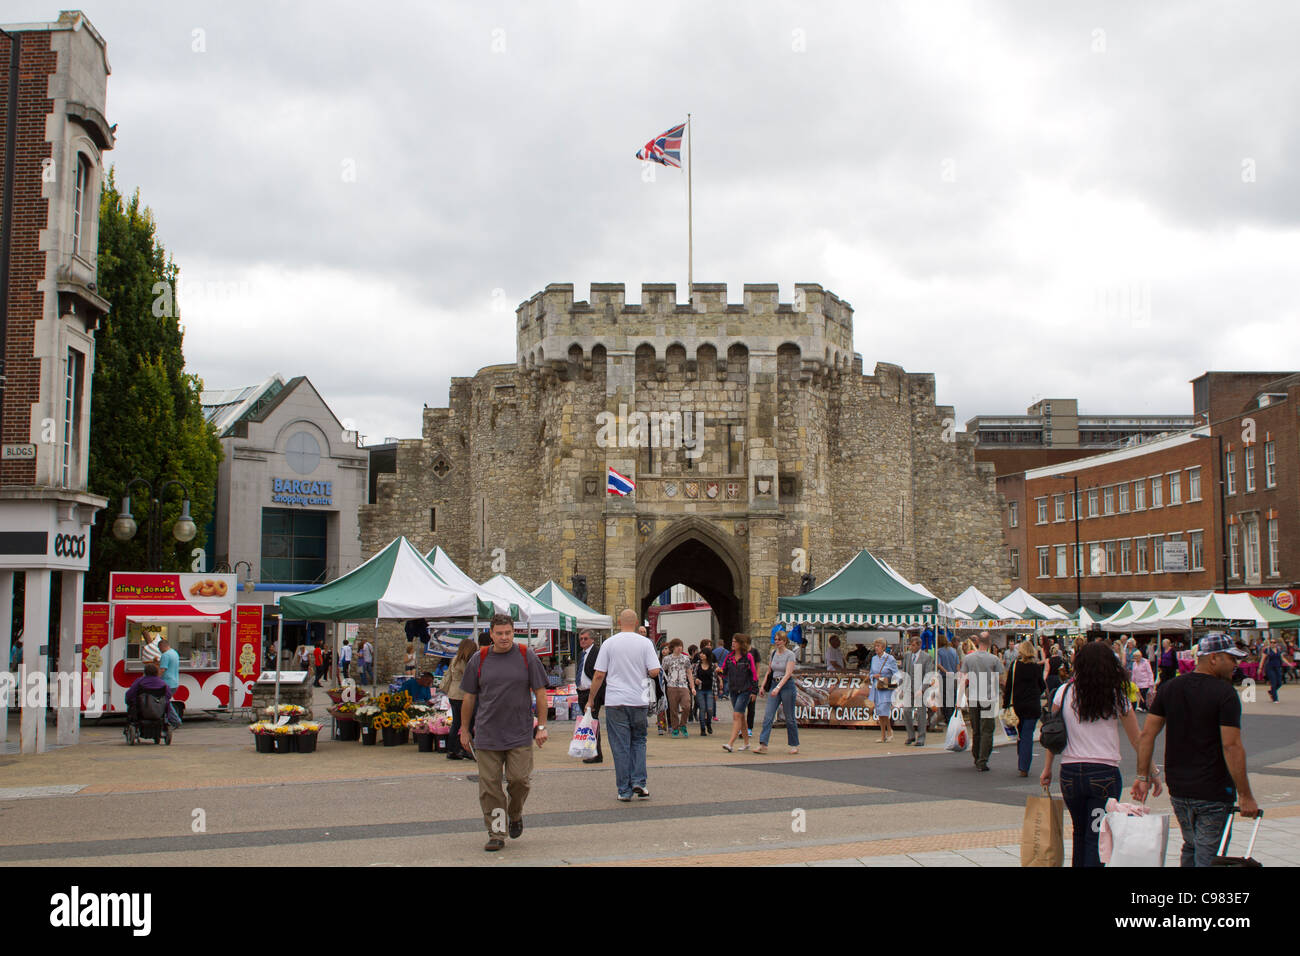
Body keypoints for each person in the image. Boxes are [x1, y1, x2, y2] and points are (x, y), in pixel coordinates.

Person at [1133, 633, 1259, 867]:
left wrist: (1142, 776)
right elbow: (1231, 746)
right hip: (1213, 790)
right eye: (1231, 658)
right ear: (1214, 658)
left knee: (1191, 845)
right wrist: (1245, 795)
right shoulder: (1225, 694)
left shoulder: (1170, 688)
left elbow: (1147, 734)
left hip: (1180, 788)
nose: (1235, 664)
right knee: (1209, 854)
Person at [1039, 641, 1146, 868]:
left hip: (1069, 773)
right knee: (1096, 837)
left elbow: (1053, 733)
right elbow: (1137, 738)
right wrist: (1150, 772)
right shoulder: (1116, 696)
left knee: (1079, 832)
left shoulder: (1063, 692)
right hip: (1104, 773)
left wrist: (1047, 768)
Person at [458, 613, 550, 851]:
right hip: (488, 734)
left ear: (513, 632)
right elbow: (468, 697)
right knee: (490, 787)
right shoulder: (479, 659)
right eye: (499, 633)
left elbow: (540, 692)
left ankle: (515, 813)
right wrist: (464, 729)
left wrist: (541, 726)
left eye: (508, 633)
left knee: (520, 780)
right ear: (491, 634)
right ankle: (497, 832)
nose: (504, 637)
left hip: (519, 732)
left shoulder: (525, 655)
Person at [585, 609, 662, 801]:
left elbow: (599, 675)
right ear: (637, 623)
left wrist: (591, 698)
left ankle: (624, 790)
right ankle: (639, 782)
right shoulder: (645, 643)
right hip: (639, 699)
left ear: (619, 622)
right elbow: (654, 671)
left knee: (620, 746)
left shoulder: (609, 643)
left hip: (615, 701)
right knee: (639, 741)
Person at [959, 631, 1004, 771]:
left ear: (978, 642)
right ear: (989, 642)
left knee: (976, 729)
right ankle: (982, 760)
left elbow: (962, 678)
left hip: (973, 696)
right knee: (987, 730)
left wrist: (959, 698)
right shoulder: (994, 659)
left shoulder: (969, 658)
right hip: (988, 697)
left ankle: (976, 755)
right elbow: (1001, 680)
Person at [1002, 640, 1045, 777]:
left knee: (1021, 735)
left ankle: (1022, 761)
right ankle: (1024, 765)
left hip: (1018, 705)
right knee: (1027, 735)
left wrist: (1005, 705)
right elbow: (1042, 686)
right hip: (1032, 706)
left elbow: (1009, 687)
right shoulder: (1036, 667)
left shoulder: (1015, 666)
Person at [755, 629, 800, 754]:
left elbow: (788, 673)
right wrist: (763, 686)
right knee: (768, 715)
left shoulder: (790, 654)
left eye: (779, 640)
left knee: (789, 717)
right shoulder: (773, 653)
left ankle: (794, 744)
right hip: (774, 682)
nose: (777, 642)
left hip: (786, 686)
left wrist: (778, 688)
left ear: (785, 641)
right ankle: (763, 744)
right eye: (775, 639)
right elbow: (770, 671)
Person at [720, 633, 758, 752]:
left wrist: (754, 691)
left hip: (745, 690)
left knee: (736, 715)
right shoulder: (730, 657)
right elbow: (724, 672)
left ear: (741, 644)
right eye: (732, 641)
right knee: (741, 717)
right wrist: (719, 671)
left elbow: (754, 675)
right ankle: (746, 743)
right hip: (733, 690)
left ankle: (730, 743)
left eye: (735, 641)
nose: (732, 643)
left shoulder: (748, 657)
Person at [441, 639, 476, 760]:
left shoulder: (455, 659)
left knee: (456, 722)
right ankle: (462, 748)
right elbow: (470, 675)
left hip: (452, 693)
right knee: (468, 722)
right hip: (462, 694)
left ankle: (452, 749)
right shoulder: (463, 662)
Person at [899, 634, 934, 748]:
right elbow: (903, 672)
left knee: (921, 714)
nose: (911, 647)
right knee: (906, 711)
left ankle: (921, 737)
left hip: (920, 690)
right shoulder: (907, 656)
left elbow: (928, 674)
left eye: (913, 645)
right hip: (909, 688)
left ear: (919, 645)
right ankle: (911, 735)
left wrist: (923, 689)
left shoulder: (926, 657)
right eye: (910, 645)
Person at [574, 630, 604, 762]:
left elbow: (599, 674)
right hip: (582, 691)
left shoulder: (596, 653)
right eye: (581, 639)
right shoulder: (582, 654)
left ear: (592, 640)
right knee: (587, 723)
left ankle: (596, 753)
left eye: (585, 639)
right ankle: (590, 750)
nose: (582, 641)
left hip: (591, 692)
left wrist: (593, 697)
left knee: (592, 722)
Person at [124, 662, 172, 731]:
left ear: (145, 672)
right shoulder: (163, 683)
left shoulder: (139, 681)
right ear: (156, 672)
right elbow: (168, 695)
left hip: (141, 710)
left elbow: (130, 694)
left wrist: (129, 701)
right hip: (159, 710)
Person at [661, 639, 695, 737]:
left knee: (687, 706)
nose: (680, 648)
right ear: (673, 648)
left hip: (683, 685)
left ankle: (683, 724)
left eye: (681, 646)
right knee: (673, 708)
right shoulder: (667, 659)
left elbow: (689, 673)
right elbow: (662, 671)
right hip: (671, 686)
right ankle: (675, 728)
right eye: (677, 646)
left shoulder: (685, 658)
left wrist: (692, 687)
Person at [868, 639, 899, 743]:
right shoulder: (874, 659)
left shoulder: (890, 659)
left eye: (878, 646)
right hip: (877, 687)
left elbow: (896, 674)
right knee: (880, 711)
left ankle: (884, 735)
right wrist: (873, 676)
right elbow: (871, 673)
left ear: (883, 647)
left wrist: (889, 679)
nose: (876, 648)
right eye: (875, 646)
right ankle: (887, 731)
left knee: (883, 710)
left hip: (886, 688)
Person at [156, 638, 183, 728]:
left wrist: (156, 679)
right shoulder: (174, 653)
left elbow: (163, 669)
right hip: (174, 682)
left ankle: (175, 721)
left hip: (167, 683)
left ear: (162, 646)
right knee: (165, 702)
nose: (160, 651)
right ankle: (167, 720)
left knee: (165, 703)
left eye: (159, 649)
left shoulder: (165, 655)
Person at [694, 639, 716, 735]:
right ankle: (702, 728)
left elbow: (715, 680)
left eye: (703, 653)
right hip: (700, 690)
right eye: (701, 653)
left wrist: (716, 692)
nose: (701, 655)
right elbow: (692, 675)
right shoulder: (697, 665)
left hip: (709, 690)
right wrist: (695, 680)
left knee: (710, 709)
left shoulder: (712, 666)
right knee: (702, 708)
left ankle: (708, 723)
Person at [936, 635, 959, 725]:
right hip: (953, 676)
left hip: (945, 677)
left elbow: (938, 664)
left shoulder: (939, 651)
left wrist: (946, 672)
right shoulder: (954, 651)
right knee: (953, 697)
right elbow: (958, 664)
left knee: (945, 698)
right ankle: (954, 717)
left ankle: (948, 718)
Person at [1262, 636, 1285, 702]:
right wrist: (1260, 668)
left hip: (1277, 667)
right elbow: (1263, 659)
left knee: (1279, 683)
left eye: (1274, 642)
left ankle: (1271, 691)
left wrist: (1289, 663)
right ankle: (1275, 699)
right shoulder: (1267, 649)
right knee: (1273, 683)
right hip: (1270, 667)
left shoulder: (1278, 649)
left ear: (1276, 643)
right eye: (1271, 642)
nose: (1272, 643)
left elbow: (1282, 658)